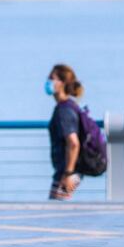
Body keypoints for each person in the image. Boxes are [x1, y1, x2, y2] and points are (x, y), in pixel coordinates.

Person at [45, 64, 84, 201]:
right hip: (72, 171)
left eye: (52, 78)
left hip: (68, 172)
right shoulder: (70, 106)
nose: (48, 81)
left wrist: (68, 174)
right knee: (58, 208)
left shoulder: (63, 110)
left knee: (56, 210)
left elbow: (73, 143)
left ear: (62, 83)